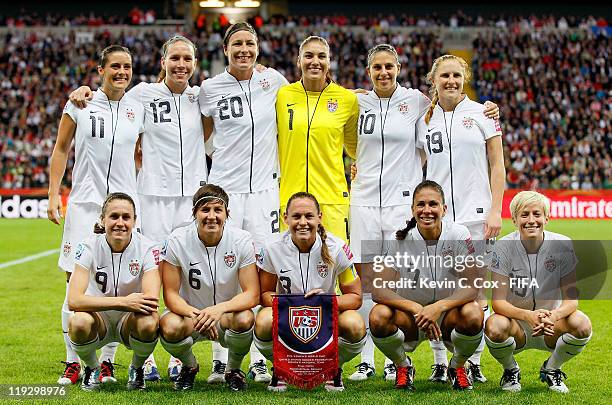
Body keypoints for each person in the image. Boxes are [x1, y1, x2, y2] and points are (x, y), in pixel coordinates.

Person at [349, 45, 499, 382]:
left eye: (389, 66)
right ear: (369, 70)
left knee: (456, 286)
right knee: (372, 282)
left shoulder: (420, 103)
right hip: (367, 202)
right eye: (377, 67)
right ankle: (369, 359)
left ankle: (462, 361)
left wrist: (491, 108)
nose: (384, 72)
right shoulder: (364, 102)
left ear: (400, 67)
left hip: (424, 207)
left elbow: (496, 162)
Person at [69, 34, 208, 382]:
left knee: (189, 276)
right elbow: (109, 101)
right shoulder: (141, 94)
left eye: (187, 59)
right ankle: (144, 358)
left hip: (191, 197)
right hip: (151, 197)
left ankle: (182, 355)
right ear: (162, 62)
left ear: (194, 64)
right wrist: (82, 91)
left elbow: (211, 130)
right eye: (174, 58)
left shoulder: (200, 96)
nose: (180, 64)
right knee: (152, 276)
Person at [48, 45, 144, 386]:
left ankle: (107, 363)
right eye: (115, 66)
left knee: (120, 281)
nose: (122, 72)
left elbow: (142, 154)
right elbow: (61, 149)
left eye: (127, 66)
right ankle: (73, 362)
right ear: (100, 69)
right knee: (73, 281)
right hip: (85, 205)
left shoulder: (138, 108)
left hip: (124, 207)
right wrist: (52, 196)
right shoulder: (80, 103)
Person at [199, 21, 288, 383]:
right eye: (237, 44)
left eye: (249, 44)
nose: (244, 50)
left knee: (262, 274)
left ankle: (257, 357)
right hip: (226, 192)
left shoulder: (275, 82)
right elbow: (199, 135)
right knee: (225, 275)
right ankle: (221, 357)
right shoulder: (208, 88)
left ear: (258, 48)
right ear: (225, 50)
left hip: (266, 192)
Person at [417, 54, 505, 382]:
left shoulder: (483, 112)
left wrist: (495, 208)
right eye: (445, 76)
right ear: (434, 80)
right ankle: (441, 361)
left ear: (464, 77)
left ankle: (473, 361)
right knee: (437, 290)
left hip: (476, 215)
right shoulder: (422, 120)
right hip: (436, 220)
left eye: (456, 75)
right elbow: (413, 163)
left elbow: (497, 165)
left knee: (475, 290)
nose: (451, 81)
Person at [370, 180, 484, 391]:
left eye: (433, 204)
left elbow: (472, 286)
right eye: (420, 205)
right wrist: (417, 309)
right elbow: (378, 289)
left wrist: (438, 307)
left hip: (448, 317)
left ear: (444, 209)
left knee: (474, 313)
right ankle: (403, 367)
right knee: (378, 316)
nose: (427, 210)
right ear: (412, 209)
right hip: (412, 318)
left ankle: (457, 366)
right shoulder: (400, 238)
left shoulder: (459, 234)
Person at [253, 192, 366, 392]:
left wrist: (323, 302)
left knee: (354, 324)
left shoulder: (337, 247)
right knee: (263, 320)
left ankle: (332, 369)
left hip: (325, 316)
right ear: (285, 218)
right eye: (296, 216)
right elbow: (264, 294)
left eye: (309, 216)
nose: (302, 222)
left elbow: (355, 297)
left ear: (319, 217)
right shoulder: (272, 248)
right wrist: (293, 304)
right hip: (287, 316)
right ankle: (281, 368)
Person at [485, 191, 591, 393]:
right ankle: (510, 370)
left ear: (547, 218)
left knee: (582, 323)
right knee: (494, 325)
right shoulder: (502, 247)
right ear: (514, 219)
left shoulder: (562, 244)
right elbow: (498, 303)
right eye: (524, 215)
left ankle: (552, 369)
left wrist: (553, 315)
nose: (531, 220)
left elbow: (571, 300)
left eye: (537, 214)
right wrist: (528, 316)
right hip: (516, 326)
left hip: (551, 325)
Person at [159, 184, 260, 392]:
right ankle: (189, 366)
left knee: (245, 318)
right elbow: (169, 294)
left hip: (226, 315)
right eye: (205, 210)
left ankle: (232, 370)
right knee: (168, 326)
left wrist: (218, 310)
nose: (211, 216)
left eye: (217, 210)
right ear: (194, 213)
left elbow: (252, 294)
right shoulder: (176, 240)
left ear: (227, 214)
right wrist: (196, 314)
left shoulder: (241, 239)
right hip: (190, 316)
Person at [67, 192, 160, 391]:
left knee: (149, 321)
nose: (120, 223)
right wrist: (124, 302)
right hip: (98, 320)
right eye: (114, 216)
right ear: (102, 219)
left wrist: (128, 306)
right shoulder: (87, 246)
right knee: (78, 321)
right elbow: (73, 300)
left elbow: (151, 300)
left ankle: (136, 368)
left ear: (134, 221)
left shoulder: (148, 248)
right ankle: (93, 368)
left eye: (126, 217)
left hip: (129, 322)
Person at [276, 35, 359, 242]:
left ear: (329, 62)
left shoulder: (347, 100)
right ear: (298, 61)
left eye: (322, 56)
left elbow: (356, 150)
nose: (315, 61)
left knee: (337, 269)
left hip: (332, 201)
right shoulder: (282, 95)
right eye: (309, 56)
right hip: (290, 201)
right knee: (290, 269)